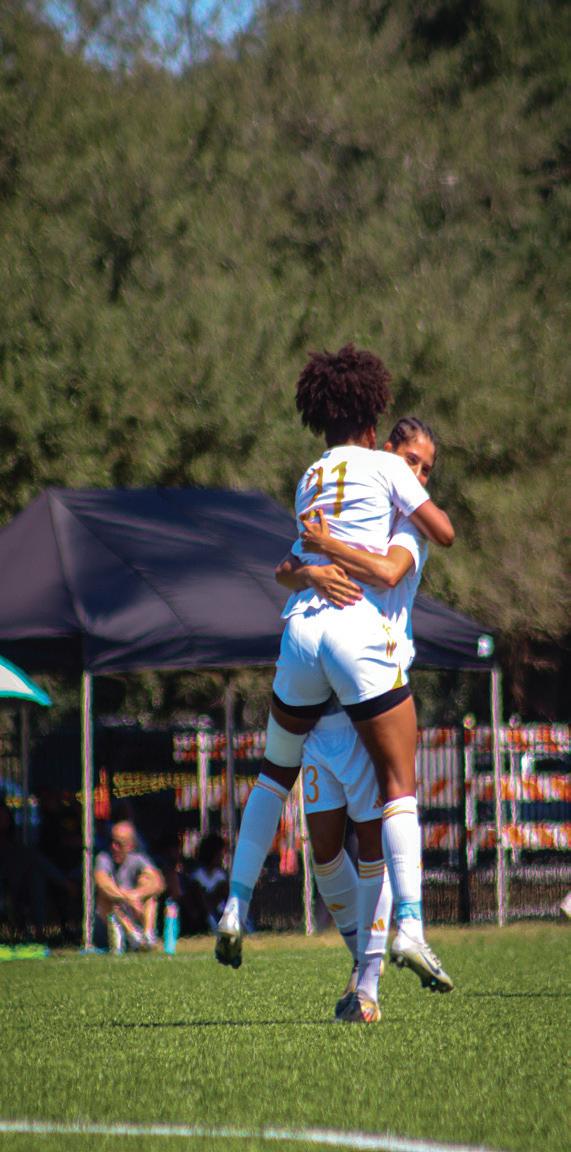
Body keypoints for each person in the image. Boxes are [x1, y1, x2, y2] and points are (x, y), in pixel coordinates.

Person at [216, 395, 453, 1001]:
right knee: (325, 853)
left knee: (369, 841)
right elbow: (288, 566)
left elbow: (388, 571)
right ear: (383, 446)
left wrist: (325, 550)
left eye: (426, 470)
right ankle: (370, 953)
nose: (416, 474)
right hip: (340, 687)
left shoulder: (403, 525)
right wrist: (311, 568)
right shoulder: (370, 488)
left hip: (359, 687)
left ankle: (369, 981)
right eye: (411, 461)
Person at [94, 820, 165, 951]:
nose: (114, 847)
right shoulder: (104, 858)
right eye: (112, 841)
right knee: (105, 897)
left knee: (147, 883)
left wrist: (136, 895)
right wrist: (128, 898)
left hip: (135, 913)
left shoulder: (138, 858)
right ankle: (133, 936)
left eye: (119, 844)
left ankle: (148, 936)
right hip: (111, 924)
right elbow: (103, 884)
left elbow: (158, 883)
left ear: (130, 846)